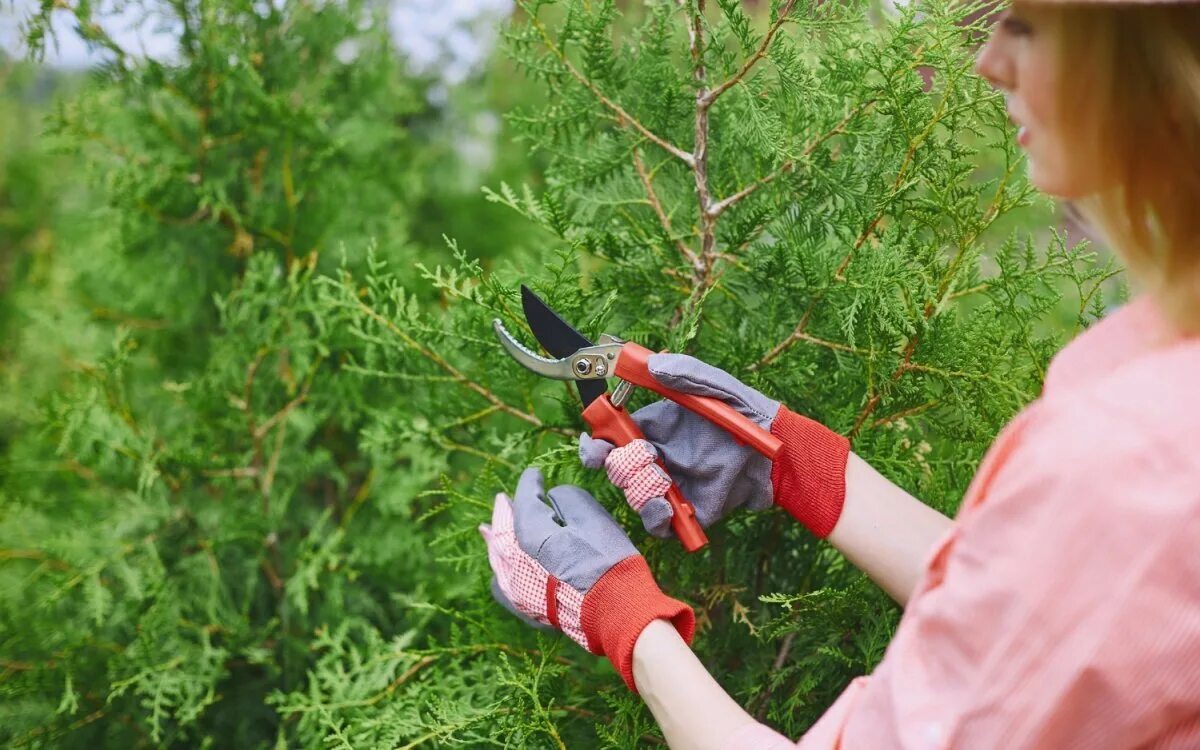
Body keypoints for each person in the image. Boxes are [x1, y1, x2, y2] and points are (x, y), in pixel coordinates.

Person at [479, 1, 1200, 746]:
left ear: (1155, 55)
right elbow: (1042, 619)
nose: (988, 63)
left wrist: (616, 614)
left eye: (1029, 26)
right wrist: (796, 462)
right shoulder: (1163, 358)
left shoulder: (1143, 454)